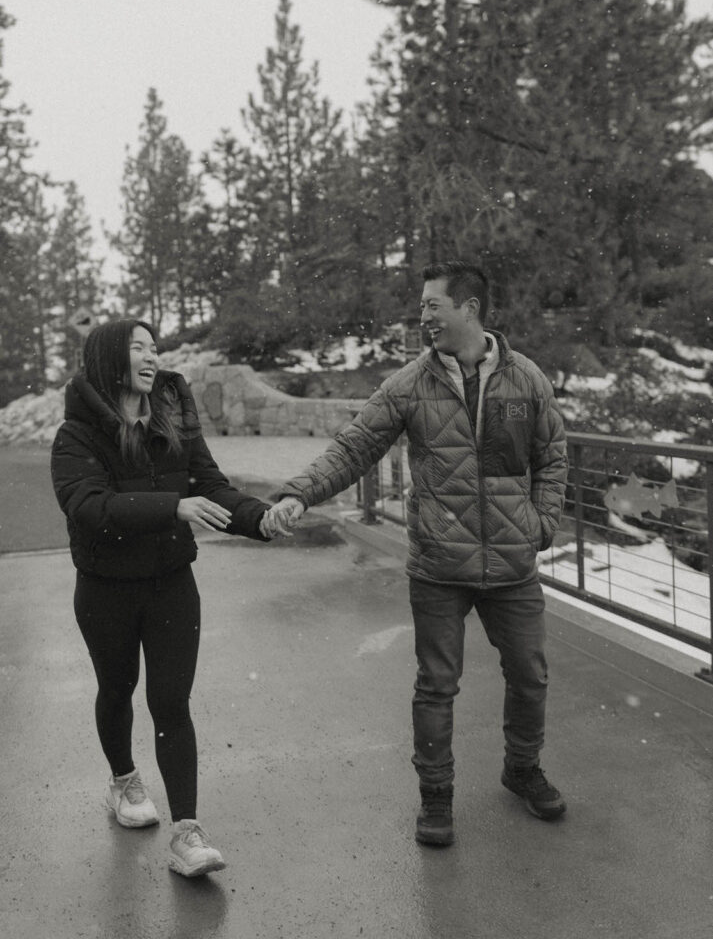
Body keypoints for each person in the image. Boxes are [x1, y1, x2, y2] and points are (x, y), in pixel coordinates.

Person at [264, 262, 568, 847]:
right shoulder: (408, 384)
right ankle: (436, 795)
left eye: (433, 305)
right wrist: (299, 494)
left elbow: (552, 457)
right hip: (438, 566)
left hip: (512, 566)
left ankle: (522, 768)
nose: (423, 316)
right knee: (436, 685)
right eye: (422, 306)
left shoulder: (527, 379)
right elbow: (354, 448)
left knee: (529, 675)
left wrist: (543, 524)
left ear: (470, 308)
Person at [51, 319, 285, 877]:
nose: (152, 357)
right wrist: (170, 506)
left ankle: (187, 831)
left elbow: (211, 484)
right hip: (105, 588)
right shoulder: (76, 435)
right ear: (110, 359)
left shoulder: (172, 420)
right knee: (118, 688)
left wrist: (261, 518)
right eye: (138, 348)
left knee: (171, 703)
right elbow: (89, 507)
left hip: (172, 583)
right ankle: (124, 780)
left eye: (155, 347)